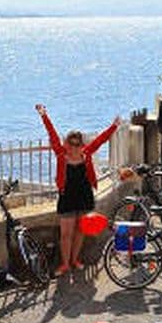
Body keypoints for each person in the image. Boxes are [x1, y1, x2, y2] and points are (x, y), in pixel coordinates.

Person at [36, 104, 121, 276]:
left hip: (84, 196)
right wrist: (44, 116)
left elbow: (100, 140)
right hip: (66, 198)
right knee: (66, 234)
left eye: (77, 144)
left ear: (82, 145)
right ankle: (65, 264)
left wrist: (114, 126)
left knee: (80, 231)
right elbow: (52, 134)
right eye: (71, 143)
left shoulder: (87, 154)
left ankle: (75, 260)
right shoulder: (61, 155)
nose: (74, 147)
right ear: (66, 143)